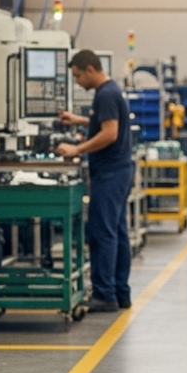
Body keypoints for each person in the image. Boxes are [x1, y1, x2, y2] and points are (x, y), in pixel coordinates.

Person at [57, 50, 134, 312]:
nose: (77, 81)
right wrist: (78, 120)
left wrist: (76, 149)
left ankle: (104, 294)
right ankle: (120, 292)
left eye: (78, 76)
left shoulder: (106, 94)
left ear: (90, 69)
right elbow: (105, 123)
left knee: (102, 232)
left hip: (110, 173)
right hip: (120, 170)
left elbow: (110, 133)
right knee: (118, 232)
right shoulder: (111, 91)